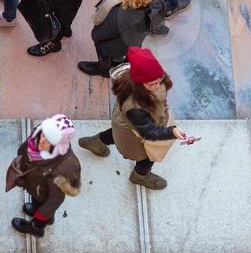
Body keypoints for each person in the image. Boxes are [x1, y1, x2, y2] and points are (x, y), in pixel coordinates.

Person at [78, 48, 193, 189]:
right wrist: (171, 132)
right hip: (137, 134)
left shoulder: (136, 83)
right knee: (147, 156)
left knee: (118, 133)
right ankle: (140, 176)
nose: (158, 85)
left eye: (159, 80)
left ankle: (94, 142)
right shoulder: (135, 107)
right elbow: (148, 133)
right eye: (152, 84)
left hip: (127, 126)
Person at [80, 0, 166, 77]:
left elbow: (98, 35)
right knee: (125, 56)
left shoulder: (120, 13)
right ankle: (125, 62)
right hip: (132, 41)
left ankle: (104, 70)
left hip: (113, 46)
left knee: (105, 56)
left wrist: (94, 35)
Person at [6, 115, 82, 238]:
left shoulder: (63, 169)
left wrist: (42, 214)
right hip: (35, 188)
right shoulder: (36, 138)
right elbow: (23, 152)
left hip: (44, 195)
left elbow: (55, 200)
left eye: (49, 140)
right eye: (43, 135)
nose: (41, 141)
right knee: (37, 202)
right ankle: (42, 213)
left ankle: (36, 228)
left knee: (44, 212)